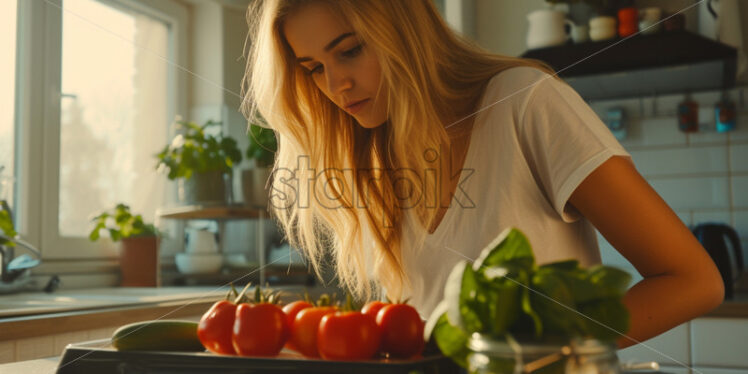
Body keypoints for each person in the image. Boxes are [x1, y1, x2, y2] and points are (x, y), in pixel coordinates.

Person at [241, 0, 724, 349]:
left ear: (404, 31)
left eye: (349, 51)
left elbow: (694, 280)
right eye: (313, 69)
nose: (336, 85)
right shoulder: (376, 155)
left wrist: (545, 352)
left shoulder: (524, 102)